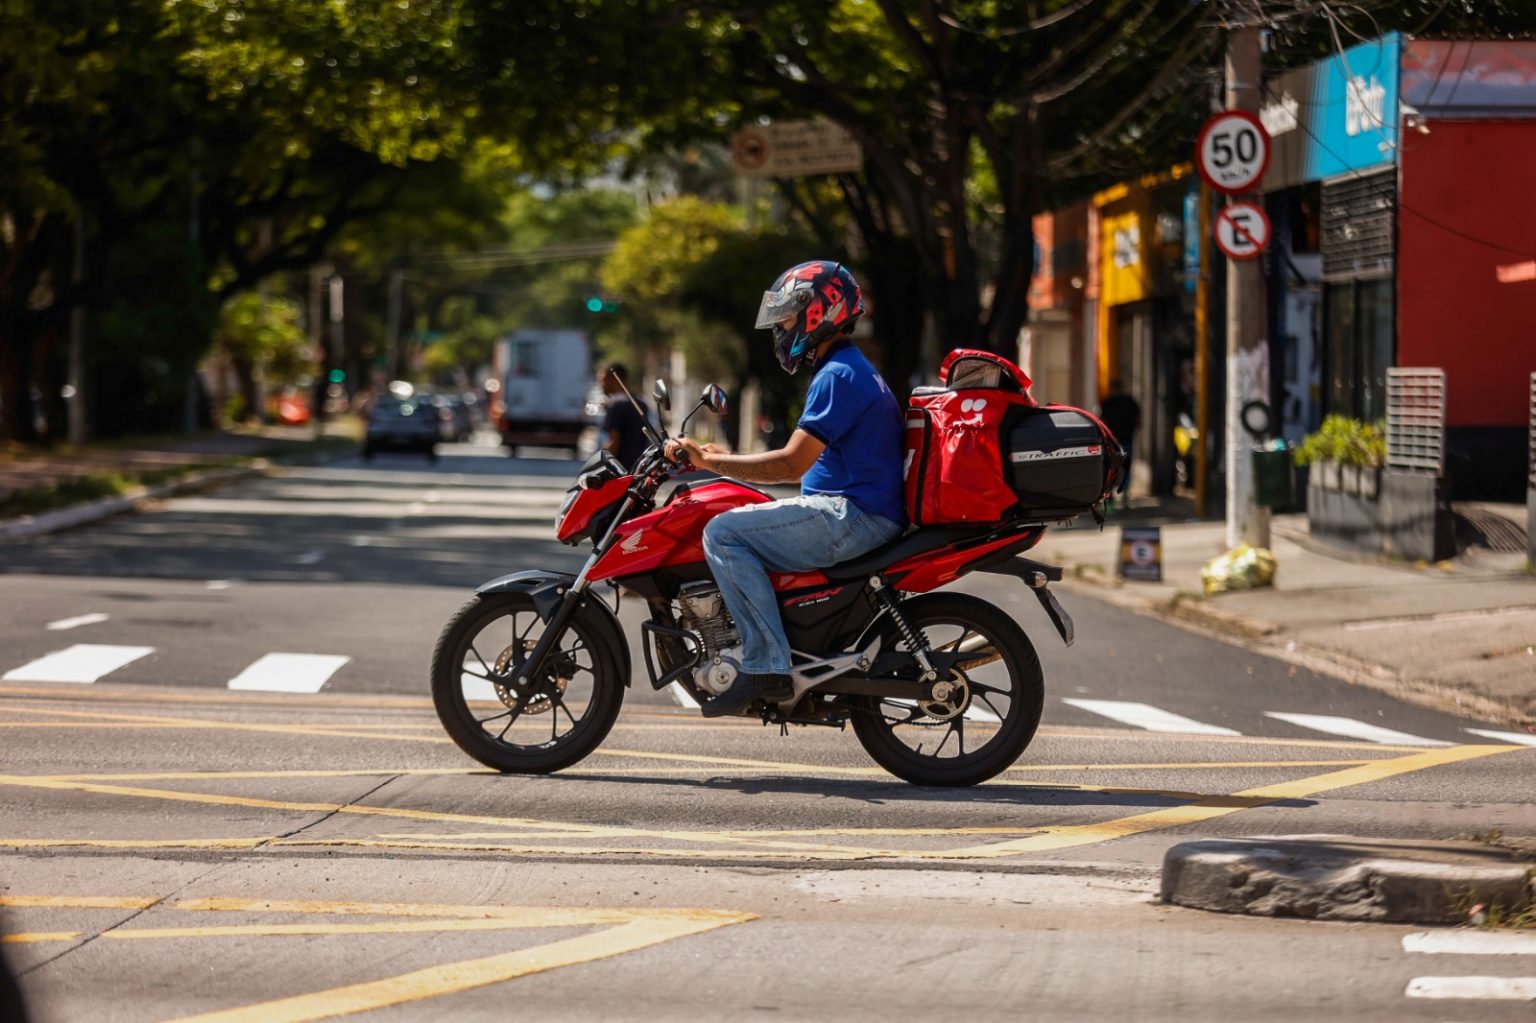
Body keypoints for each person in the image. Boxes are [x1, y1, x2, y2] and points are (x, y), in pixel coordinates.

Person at [665, 261, 905, 718]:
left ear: (820, 311)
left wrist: (711, 462)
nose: (781, 327)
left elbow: (792, 462)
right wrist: (720, 461)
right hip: (852, 511)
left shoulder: (838, 375)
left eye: (789, 316)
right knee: (741, 515)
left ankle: (766, 666)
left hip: (851, 517)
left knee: (723, 533)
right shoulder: (847, 369)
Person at [598, 362, 651, 470]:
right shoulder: (641, 404)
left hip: (620, 469)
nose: (600, 384)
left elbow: (613, 442)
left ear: (614, 379)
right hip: (639, 468)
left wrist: (599, 464)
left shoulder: (616, 406)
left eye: (602, 379)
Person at [1098, 379, 1141, 510]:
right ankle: (1121, 496)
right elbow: (1138, 418)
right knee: (1123, 468)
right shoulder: (1127, 401)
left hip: (1114, 441)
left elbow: (1102, 421)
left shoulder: (1108, 403)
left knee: (1112, 469)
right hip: (1122, 440)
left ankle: (1117, 496)